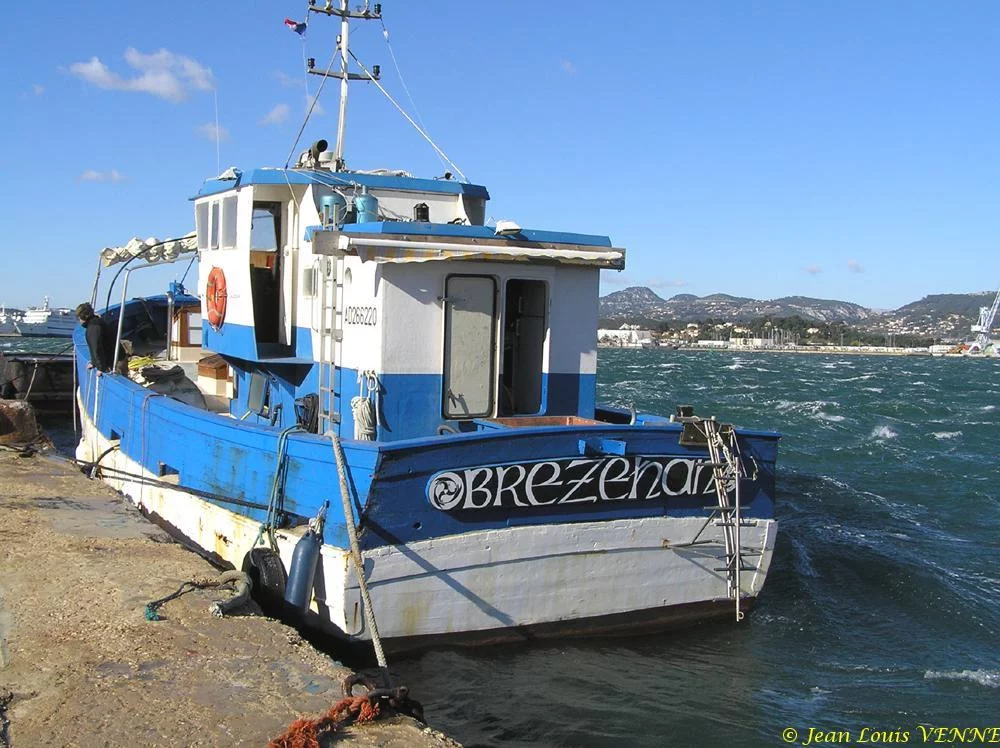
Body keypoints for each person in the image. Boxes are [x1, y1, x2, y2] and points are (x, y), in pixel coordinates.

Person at [75, 302, 127, 375]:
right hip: (117, 358)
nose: (79, 321)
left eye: (79, 318)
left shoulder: (93, 327)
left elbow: (96, 347)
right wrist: (94, 362)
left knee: (120, 375)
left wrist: (100, 368)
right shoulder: (97, 322)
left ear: (84, 317)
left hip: (116, 362)